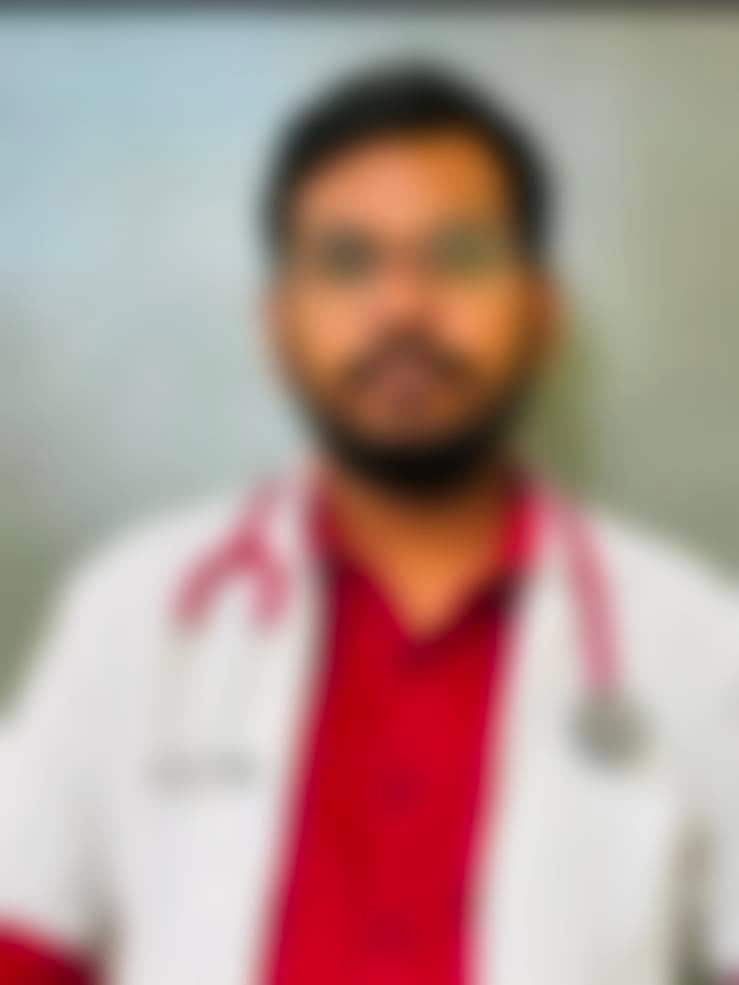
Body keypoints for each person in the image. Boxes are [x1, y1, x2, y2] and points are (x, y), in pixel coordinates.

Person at [0, 62, 737, 985]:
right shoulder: (133, 612)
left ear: (542, 311)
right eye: (349, 261)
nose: (403, 306)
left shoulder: (697, 638)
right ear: (279, 321)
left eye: (459, 255)